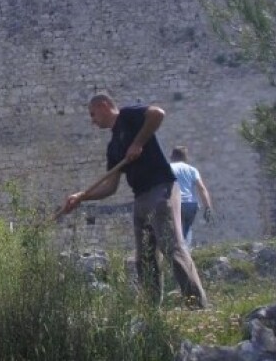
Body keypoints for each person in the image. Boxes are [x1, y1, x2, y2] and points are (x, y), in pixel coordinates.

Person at [60, 94, 208, 309]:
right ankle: (151, 311)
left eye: (93, 114)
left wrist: (138, 143)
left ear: (104, 106)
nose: (92, 121)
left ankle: (198, 306)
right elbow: (110, 188)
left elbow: (158, 114)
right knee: (145, 258)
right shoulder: (113, 147)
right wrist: (82, 196)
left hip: (161, 190)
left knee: (171, 247)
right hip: (140, 198)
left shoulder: (129, 117)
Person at [170, 146, 214, 248]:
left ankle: (176, 257)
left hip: (175, 203)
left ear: (172, 156)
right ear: (186, 158)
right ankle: (187, 254)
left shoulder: (168, 168)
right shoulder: (192, 170)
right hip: (191, 204)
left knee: (173, 232)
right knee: (187, 229)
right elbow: (202, 188)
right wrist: (208, 207)